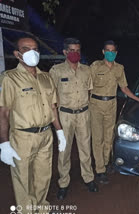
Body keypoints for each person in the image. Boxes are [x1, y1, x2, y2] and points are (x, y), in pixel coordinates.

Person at [0, 36, 67, 214]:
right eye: (26, 49)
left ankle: (41, 209)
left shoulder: (46, 78)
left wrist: (59, 132)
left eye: (35, 49)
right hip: (23, 137)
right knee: (23, 180)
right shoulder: (9, 78)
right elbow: (4, 112)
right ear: (17, 54)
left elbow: (53, 108)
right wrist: (4, 143)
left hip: (46, 135)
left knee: (43, 177)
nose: (33, 52)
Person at [90, 40, 139, 184]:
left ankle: (105, 162)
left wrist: (138, 99)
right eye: (107, 51)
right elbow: (87, 86)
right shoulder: (95, 66)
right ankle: (99, 170)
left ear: (116, 53)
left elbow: (124, 88)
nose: (110, 53)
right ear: (103, 52)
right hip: (96, 104)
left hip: (111, 103)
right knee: (98, 138)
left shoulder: (119, 68)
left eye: (113, 51)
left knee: (109, 136)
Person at [49, 38, 98, 200]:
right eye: (71, 50)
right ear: (65, 52)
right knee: (64, 150)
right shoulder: (56, 71)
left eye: (77, 50)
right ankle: (63, 183)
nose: (75, 53)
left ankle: (88, 178)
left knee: (85, 148)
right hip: (65, 115)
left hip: (84, 114)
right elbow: (51, 97)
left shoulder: (86, 70)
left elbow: (89, 91)